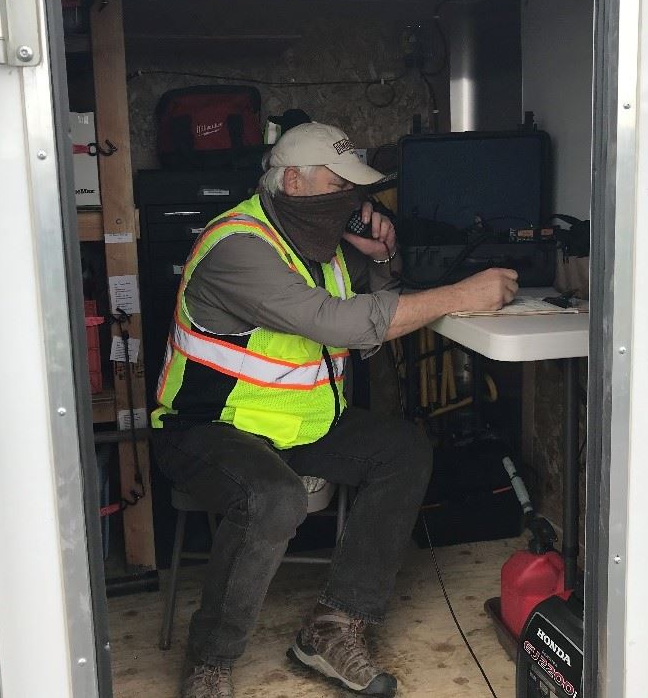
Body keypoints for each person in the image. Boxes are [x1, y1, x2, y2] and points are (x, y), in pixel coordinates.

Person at [153, 122, 519, 698]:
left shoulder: (317, 246)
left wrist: (379, 259)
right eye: (340, 186)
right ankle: (211, 663)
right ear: (293, 181)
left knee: (403, 451)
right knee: (272, 496)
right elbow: (334, 323)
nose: (353, 202)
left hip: (298, 422)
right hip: (208, 428)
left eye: (357, 191)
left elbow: (358, 328)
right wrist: (462, 295)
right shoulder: (239, 247)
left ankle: (331, 627)